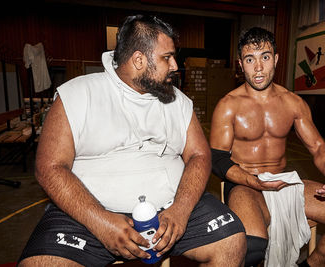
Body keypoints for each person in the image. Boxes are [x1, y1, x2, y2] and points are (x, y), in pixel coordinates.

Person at [18, 15, 246, 267]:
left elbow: (199, 155)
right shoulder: (77, 94)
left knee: (232, 241)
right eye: (167, 57)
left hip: (171, 209)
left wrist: (180, 210)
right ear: (139, 60)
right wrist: (101, 221)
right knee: (41, 264)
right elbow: (49, 167)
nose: (175, 65)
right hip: (88, 213)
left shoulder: (178, 101)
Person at [210, 27, 325, 267]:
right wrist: (254, 181)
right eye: (250, 59)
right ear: (241, 64)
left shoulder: (293, 103)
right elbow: (217, 160)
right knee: (252, 249)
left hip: (284, 184)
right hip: (245, 185)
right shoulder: (228, 106)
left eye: (265, 57)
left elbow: (318, 147)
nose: (258, 68)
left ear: (276, 59)